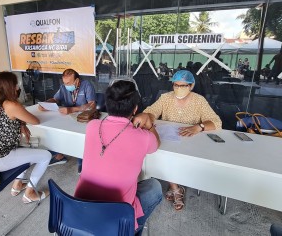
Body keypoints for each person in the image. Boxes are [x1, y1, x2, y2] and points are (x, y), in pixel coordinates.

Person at [74, 79, 162, 235]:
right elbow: (156, 144)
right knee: (155, 187)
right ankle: (132, 230)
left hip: (81, 210)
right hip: (115, 217)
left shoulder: (92, 126)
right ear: (135, 109)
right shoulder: (143, 137)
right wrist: (149, 124)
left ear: (108, 104)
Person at [133, 70, 222, 211]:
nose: (179, 89)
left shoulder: (199, 101)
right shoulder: (166, 98)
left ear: (191, 86)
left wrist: (200, 126)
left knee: (179, 161)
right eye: (176, 85)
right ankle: (175, 187)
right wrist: (147, 118)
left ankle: (175, 186)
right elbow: (151, 111)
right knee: (163, 155)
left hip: (190, 142)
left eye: (183, 86)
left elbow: (217, 122)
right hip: (169, 140)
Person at [0, 71, 52, 203]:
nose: (18, 87)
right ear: (8, 87)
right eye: (15, 84)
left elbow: (9, 120)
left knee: (26, 148)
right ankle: (30, 193)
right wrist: (22, 120)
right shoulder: (11, 105)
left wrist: (21, 123)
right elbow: (35, 121)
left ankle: (17, 186)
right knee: (45, 156)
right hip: (1, 159)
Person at [38, 68, 96, 173]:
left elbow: (92, 105)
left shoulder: (87, 85)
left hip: (82, 118)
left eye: (68, 83)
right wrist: (46, 103)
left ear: (77, 81)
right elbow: (55, 99)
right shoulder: (63, 87)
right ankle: (60, 155)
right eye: (64, 83)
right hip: (66, 117)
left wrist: (72, 109)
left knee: (81, 138)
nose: (66, 85)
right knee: (56, 131)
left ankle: (81, 162)